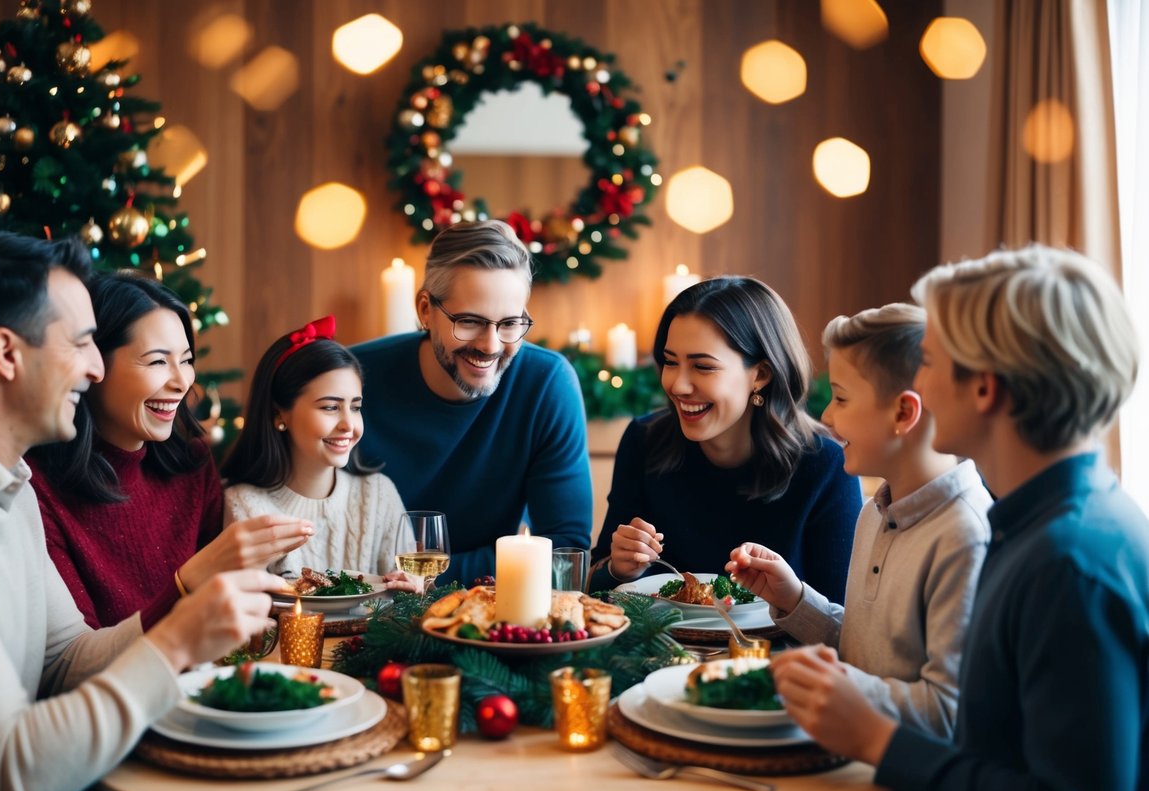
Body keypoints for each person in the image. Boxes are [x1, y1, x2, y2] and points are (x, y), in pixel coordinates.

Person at [770, 245, 1148, 791]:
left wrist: (876, 738)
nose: (917, 380)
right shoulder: (1034, 525)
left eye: (932, 360)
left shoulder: (1068, 563)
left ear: (985, 388)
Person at [0, 231, 285, 791]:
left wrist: (185, 615)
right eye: (81, 343)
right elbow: (10, 779)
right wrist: (176, 639)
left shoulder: (9, 485)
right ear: (6, 353)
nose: (95, 368)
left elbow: (66, 660)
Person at [726, 303, 991, 739]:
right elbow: (865, 653)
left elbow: (947, 713)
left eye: (842, 397)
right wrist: (794, 599)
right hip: (848, 755)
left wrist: (832, 684)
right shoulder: (875, 510)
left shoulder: (964, 535)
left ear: (904, 414)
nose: (827, 415)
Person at [26, 274, 314, 629]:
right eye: (158, 362)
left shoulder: (192, 464)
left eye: (187, 360)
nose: (182, 381)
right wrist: (187, 582)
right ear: (95, 365)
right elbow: (74, 660)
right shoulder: (37, 488)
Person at [351, 220, 592, 584]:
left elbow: (565, 550)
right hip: (362, 601)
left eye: (510, 323)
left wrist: (428, 579)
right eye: (469, 322)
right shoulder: (353, 378)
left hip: (494, 610)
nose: (491, 345)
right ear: (425, 310)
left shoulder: (547, 384)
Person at [590, 277, 861, 601]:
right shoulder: (644, 441)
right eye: (671, 362)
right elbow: (595, 588)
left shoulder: (823, 464)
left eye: (703, 367)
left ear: (760, 374)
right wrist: (618, 568)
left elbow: (842, 618)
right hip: (657, 649)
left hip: (774, 652)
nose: (678, 385)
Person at [220, 315, 420, 592]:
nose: (348, 425)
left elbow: (411, 605)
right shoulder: (244, 505)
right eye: (329, 407)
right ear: (280, 414)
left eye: (355, 407)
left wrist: (412, 590)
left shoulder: (379, 495)